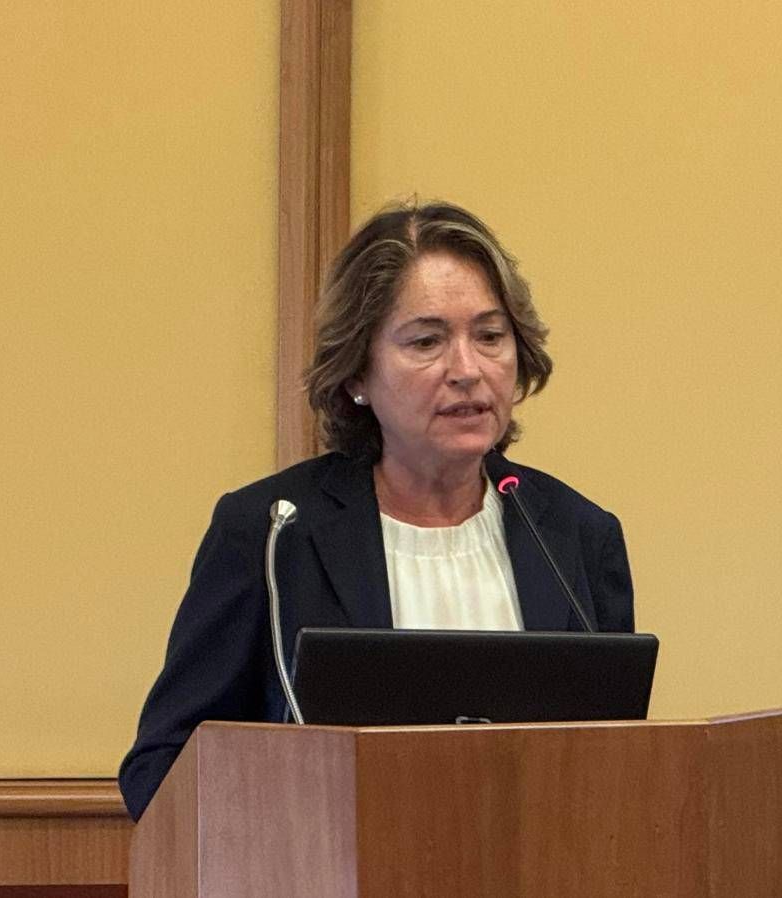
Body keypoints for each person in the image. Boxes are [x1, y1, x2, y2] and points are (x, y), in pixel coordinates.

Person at [118, 201, 634, 821]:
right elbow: (164, 765)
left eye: (490, 336)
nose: (467, 370)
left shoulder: (577, 535)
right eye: (426, 341)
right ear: (357, 373)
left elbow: (618, 761)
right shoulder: (273, 532)